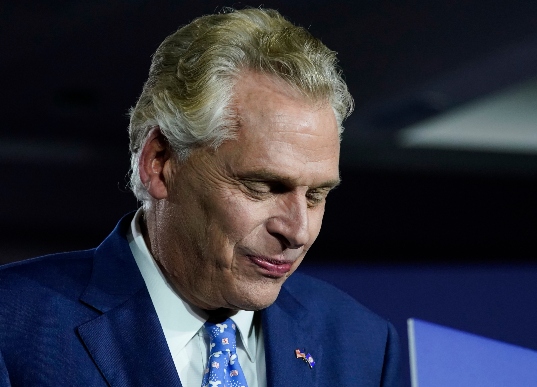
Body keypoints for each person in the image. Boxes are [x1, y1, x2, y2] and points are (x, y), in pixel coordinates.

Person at [0, 8, 400, 387]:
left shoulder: (362, 345)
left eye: (316, 195)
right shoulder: (12, 324)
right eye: (262, 186)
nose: (297, 231)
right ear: (161, 162)